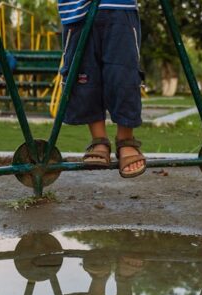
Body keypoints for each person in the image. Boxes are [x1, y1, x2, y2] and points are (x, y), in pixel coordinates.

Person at [58, 0, 147, 178]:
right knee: (84, 77)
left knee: (123, 75)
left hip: (119, 6)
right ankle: (99, 139)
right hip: (77, 11)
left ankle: (125, 140)